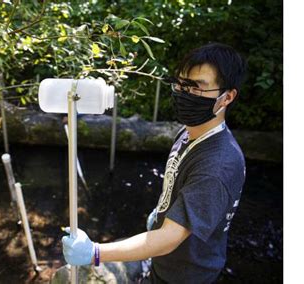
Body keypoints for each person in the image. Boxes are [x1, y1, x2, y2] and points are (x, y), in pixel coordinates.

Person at [61, 42, 247, 283]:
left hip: (185, 276)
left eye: (196, 88)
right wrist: (161, 212)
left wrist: (95, 253)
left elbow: (169, 238)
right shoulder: (191, 131)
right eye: (181, 84)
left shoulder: (217, 165)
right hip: (164, 264)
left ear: (227, 97)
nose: (183, 93)